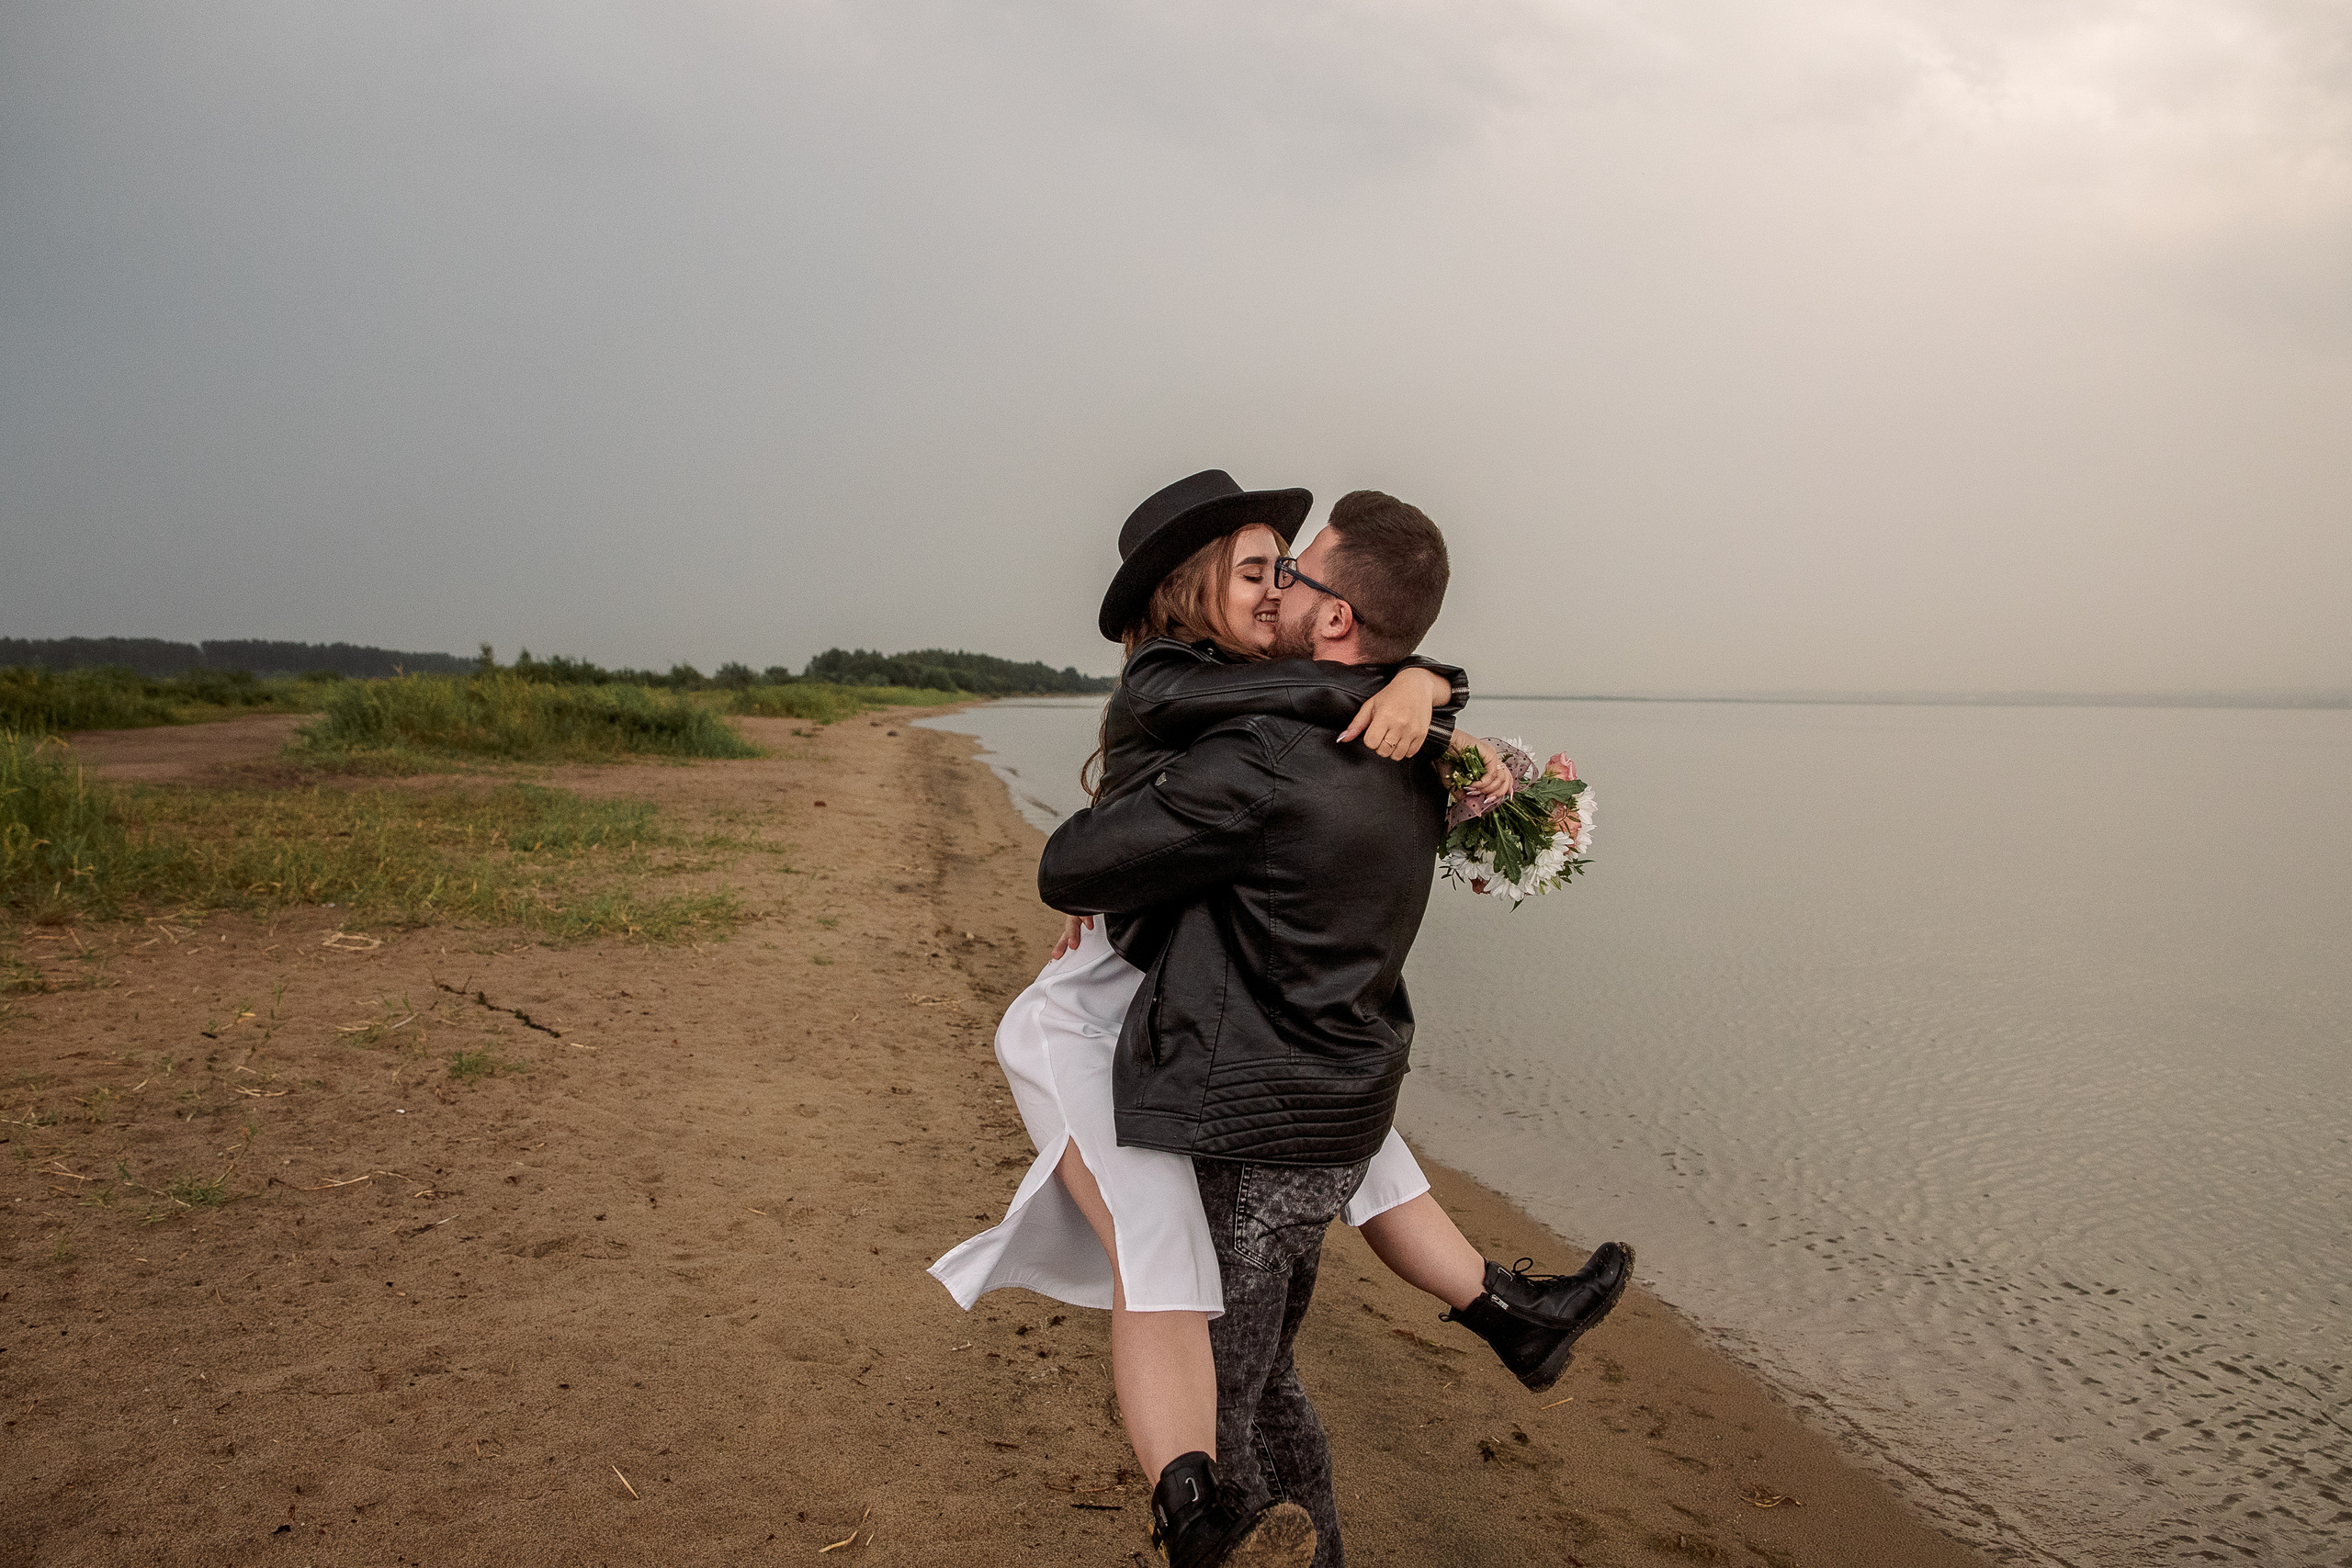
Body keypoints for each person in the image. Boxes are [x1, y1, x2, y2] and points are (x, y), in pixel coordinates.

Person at [1036, 486, 1633, 1568]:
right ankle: (1494, 1332)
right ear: (1193, 592)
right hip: (1314, 1085)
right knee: (1262, 1380)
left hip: (1252, 1109)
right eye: (1257, 573)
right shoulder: (1363, 736)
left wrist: (1419, 687)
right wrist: (1425, 685)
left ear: (1336, 614)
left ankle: (1281, 1529)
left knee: (1234, 1398)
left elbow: (1068, 863)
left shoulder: (1272, 740)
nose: (1278, 592)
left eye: (1289, 573)